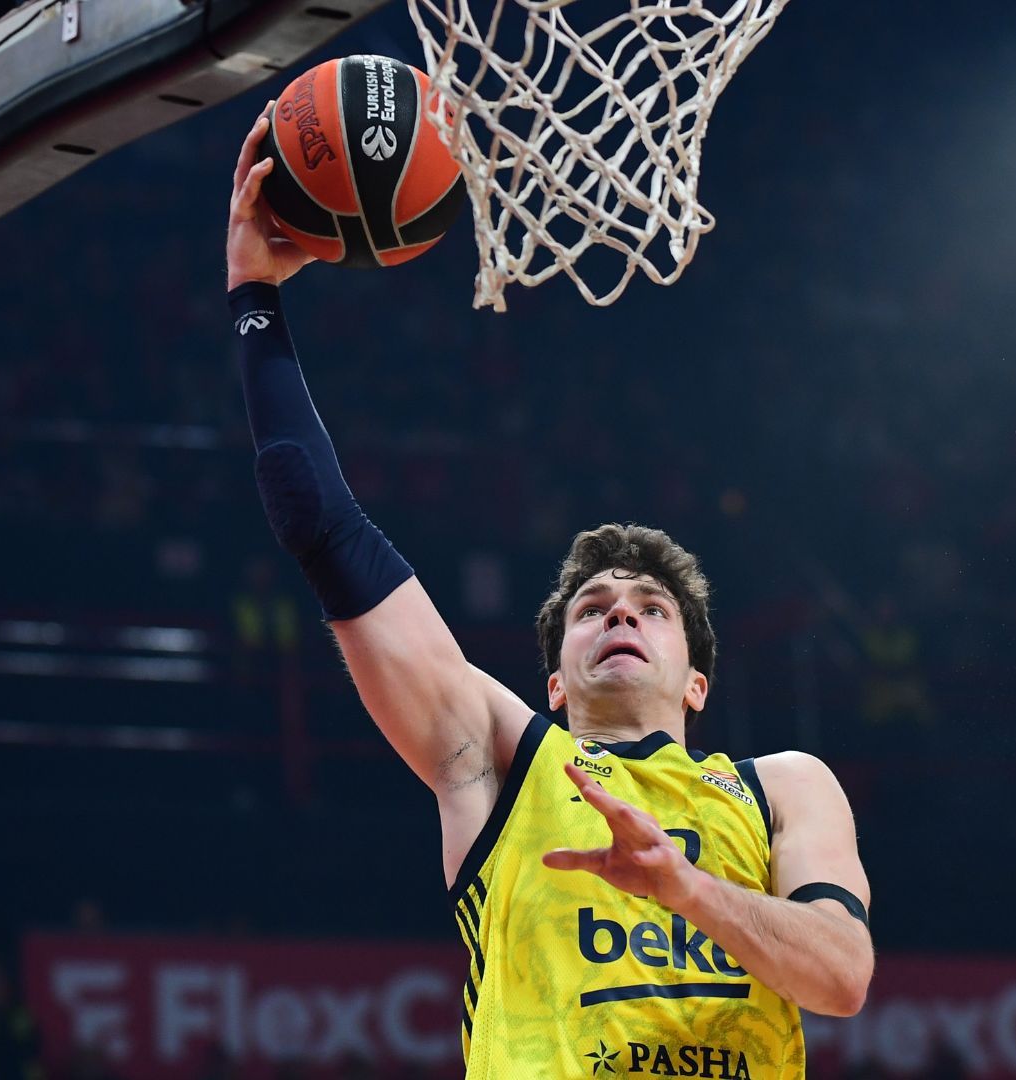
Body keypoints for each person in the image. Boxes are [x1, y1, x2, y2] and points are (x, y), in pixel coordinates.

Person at [225, 110, 875, 1076]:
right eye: (592, 609)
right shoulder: (499, 759)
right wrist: (254, 295)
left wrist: (687, 888)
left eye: (652, 609)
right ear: (556, 682)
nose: (620, 613)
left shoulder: (783, 788)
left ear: (697, 681)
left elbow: (842, 977)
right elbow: (319, 521)